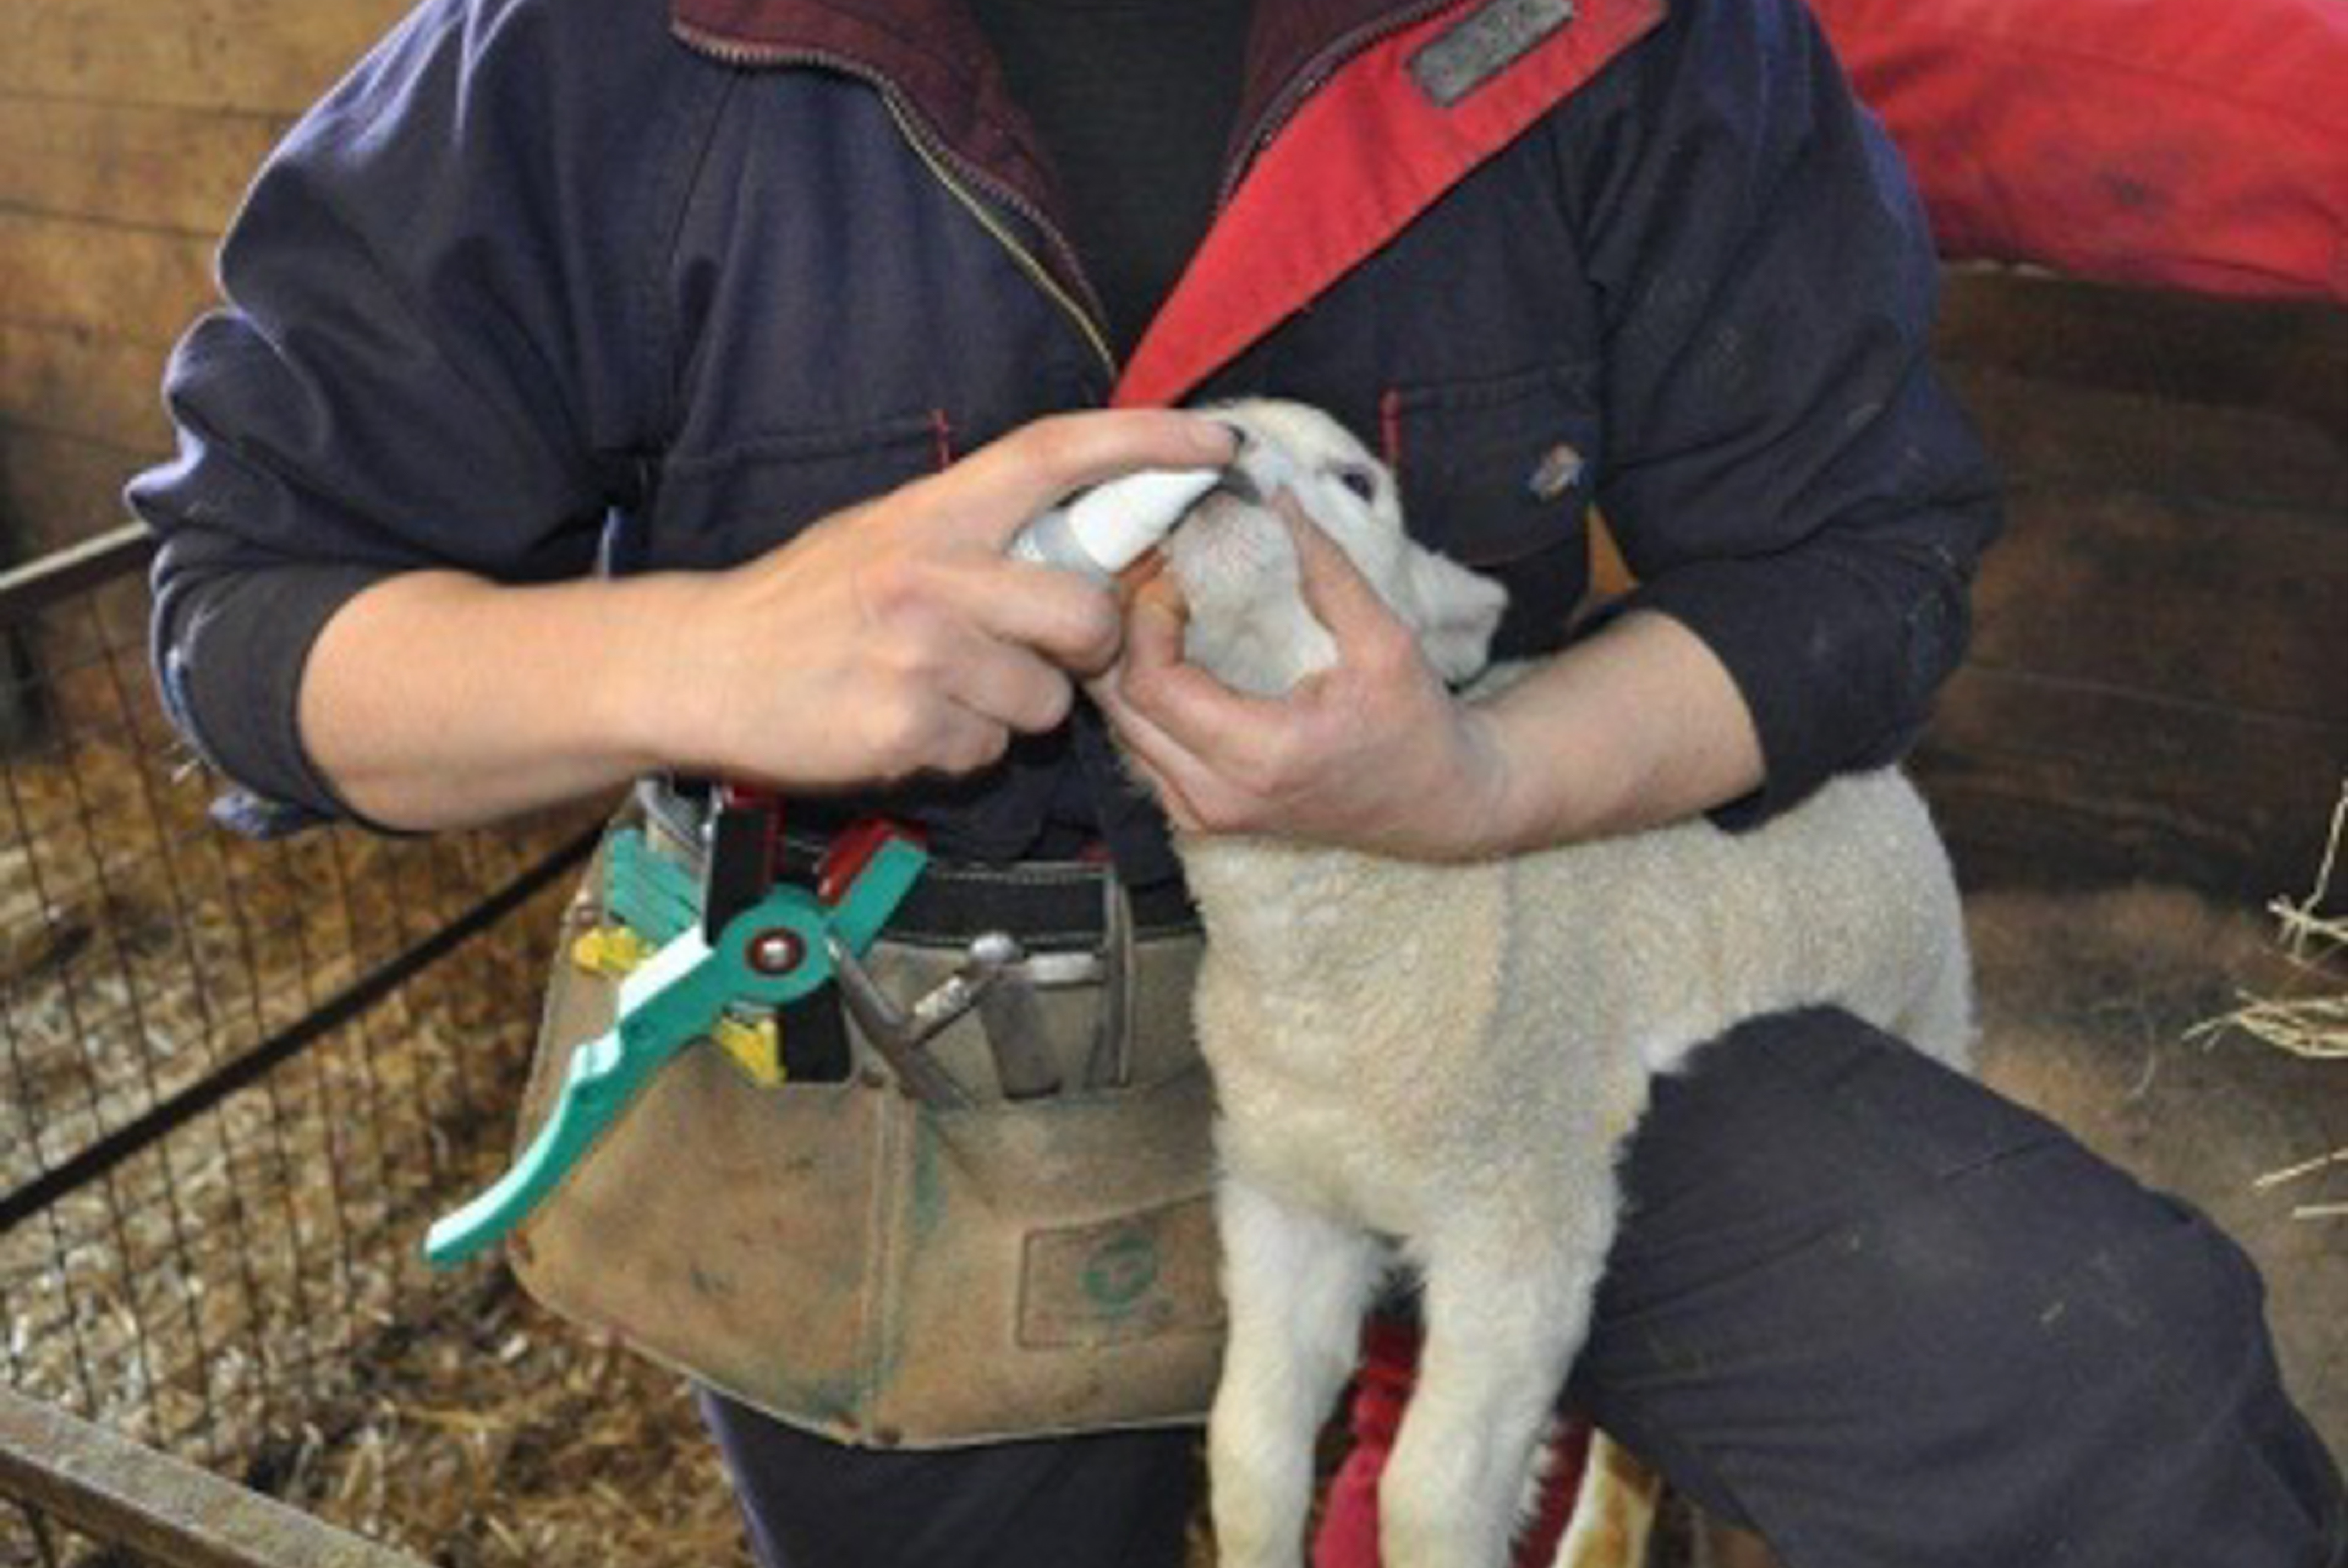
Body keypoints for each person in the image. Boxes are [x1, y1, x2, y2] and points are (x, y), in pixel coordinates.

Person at [129, 0, 2344, 1564]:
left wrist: (1477, 777)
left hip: (1499, 973)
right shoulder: (601, 48)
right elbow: (241, 620)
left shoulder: (1611, 28)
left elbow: (1852, 563)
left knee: (2101, 1394)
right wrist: (712, 642)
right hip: (921, 1068)